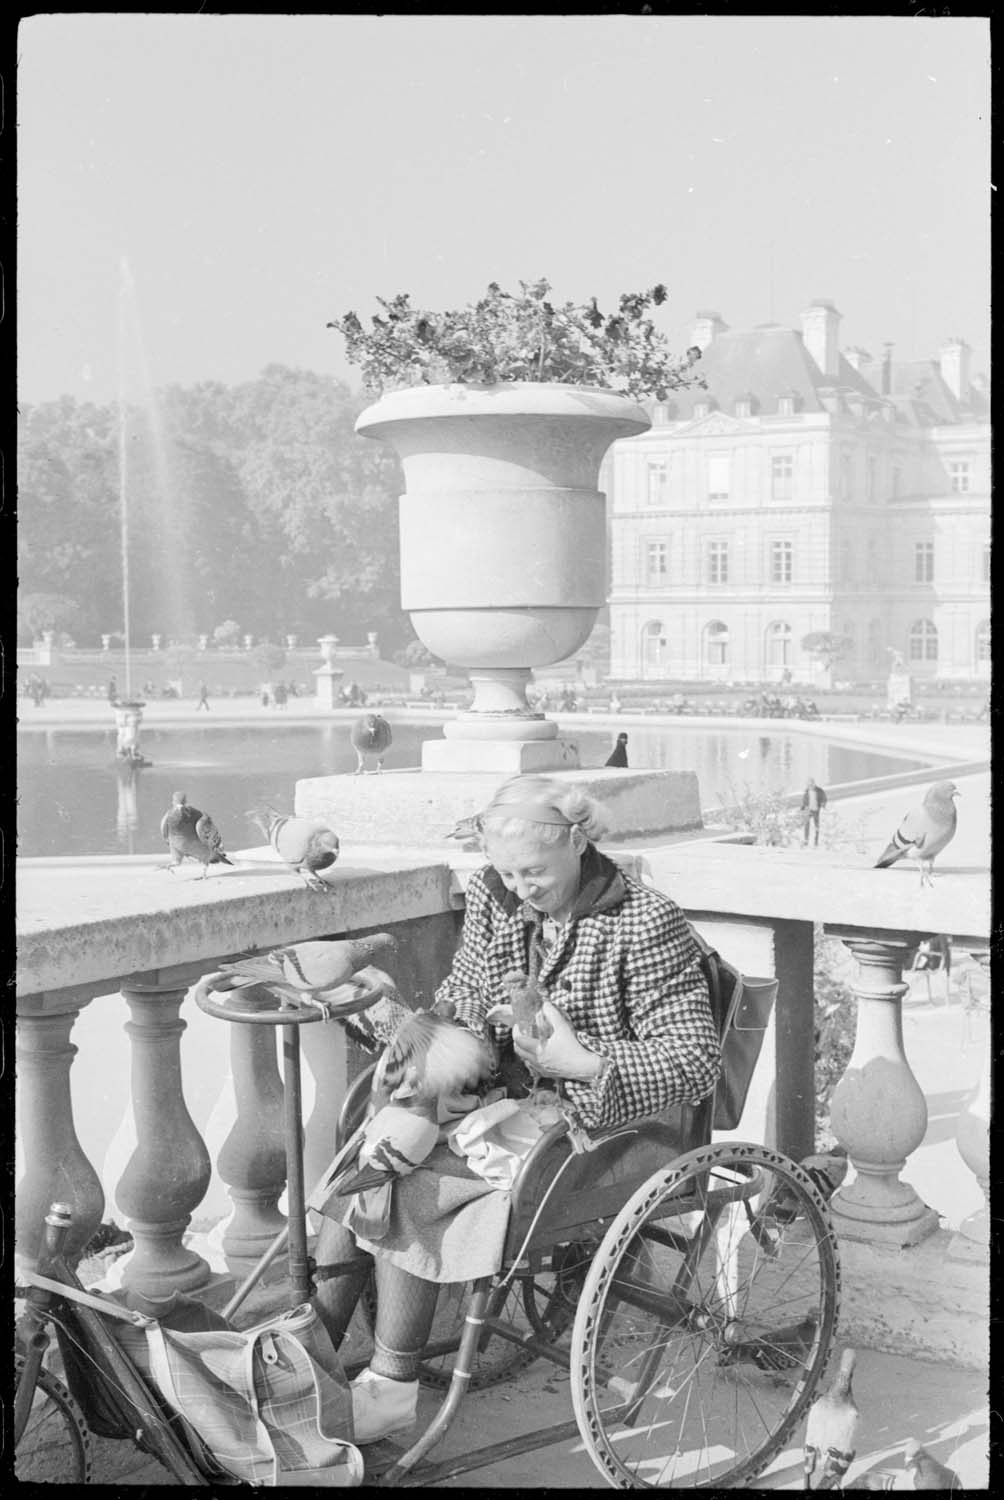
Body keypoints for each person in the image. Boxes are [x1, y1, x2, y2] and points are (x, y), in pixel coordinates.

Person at [313, 774, 721, 1444]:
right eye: (506, 870)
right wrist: (431, 1035)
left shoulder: (644, 921)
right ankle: (310, 1362)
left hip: (602, 1129)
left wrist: (581, 1063)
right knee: (364, 1165)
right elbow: (467, 990)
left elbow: (694, 1059)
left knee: (414, 1185)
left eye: (534, 871)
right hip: (506, 1110)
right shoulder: (494, 896)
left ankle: (389, 1389)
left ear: (579, 842)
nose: (520, 887)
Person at [801, 777, 827, 846]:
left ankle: (816, 841)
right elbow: (804, 800)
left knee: (816, 826)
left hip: (816, 810)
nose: (810, 786)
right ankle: (806, 840)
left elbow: (824, 798)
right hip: (808, 810)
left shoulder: (819, 791)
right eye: (809, 785)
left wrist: (823, 804)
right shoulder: (807, 791)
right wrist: (803, 807)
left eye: (811, 784)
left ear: (814, 784)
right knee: (806, 824)